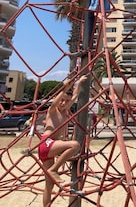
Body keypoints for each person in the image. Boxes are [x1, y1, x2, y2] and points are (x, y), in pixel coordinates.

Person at [38, 75, 87, 207]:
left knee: (49, 185)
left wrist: (79, 83)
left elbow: (75, 96)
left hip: (49, 148)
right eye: (62, 100)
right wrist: (66, 87)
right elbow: (56, 101)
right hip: (46, 143)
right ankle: (54, 169)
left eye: (66, 101)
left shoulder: (65, 111)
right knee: (75, 145)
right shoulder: (52, 110)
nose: (63, 103)